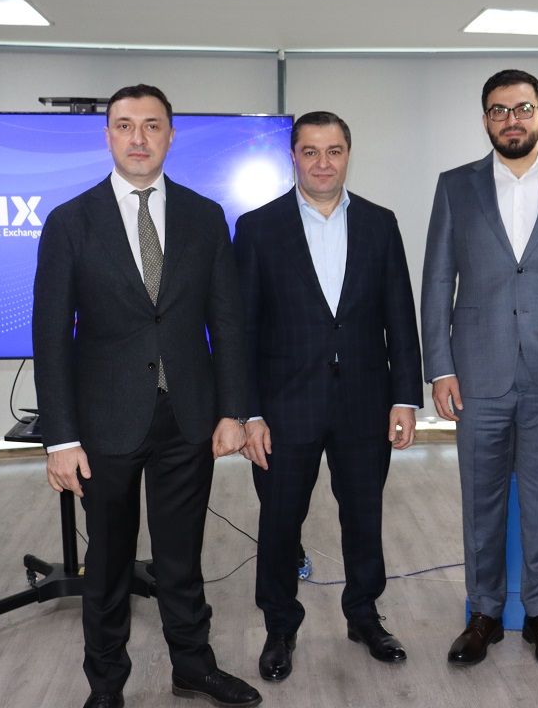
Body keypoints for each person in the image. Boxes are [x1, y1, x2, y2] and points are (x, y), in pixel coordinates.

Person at [33, 84, 262, 708]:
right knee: (107, 565)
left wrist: (233, 411)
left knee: (181, 559)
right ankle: (106, 686)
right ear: (107, 135)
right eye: (125, 125)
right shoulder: (70, 222)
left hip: (188, 418)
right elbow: (50, 337)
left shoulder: (205, 216)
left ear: (170, 135)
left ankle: (193, 667)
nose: (138, 138)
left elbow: (227, 322)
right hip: (103, 423)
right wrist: (60, 438)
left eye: (152, 125)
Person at [421, 69, 538, 670]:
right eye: (499, 110)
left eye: (523, 109)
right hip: (477, 375)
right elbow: (436, 281)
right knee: (480, 502)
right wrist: (440, 368)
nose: (512, 119)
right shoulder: (456, 186)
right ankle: (483, 614)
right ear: (485, 120)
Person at [232, 111, 423, 683]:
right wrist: (249, 412)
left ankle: (363, 616)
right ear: (293, 155)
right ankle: (280, 626)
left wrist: (405, 397)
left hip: (366, 402)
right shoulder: (258, 228)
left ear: (347, 155)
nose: (322, 163)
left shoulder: (380, 223)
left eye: (333, 151)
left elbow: (400, 315)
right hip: (283, 407)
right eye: (310, 151)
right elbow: (241, 330)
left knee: (364, 516)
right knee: (280, 522)